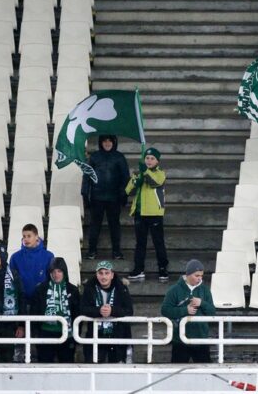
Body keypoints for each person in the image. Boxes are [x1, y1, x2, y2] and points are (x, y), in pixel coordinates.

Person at [81, 135, 130, 260]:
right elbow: (87, 176)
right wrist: (85, 193)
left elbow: (125, 177)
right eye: (104, 141)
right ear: (100, 142)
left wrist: (124, 194)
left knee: (114, 225)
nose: (107, 143)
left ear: (114, 142)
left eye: (110, 141)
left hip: (114, 198)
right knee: (94, 225)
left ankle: (116, 251)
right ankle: (92, 251)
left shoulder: (119, 157)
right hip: (97, 197)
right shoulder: (94, 157)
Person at [125, 147, 169, 282]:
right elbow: (128, 191)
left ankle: (163, 268)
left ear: (157, 161)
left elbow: (155, 182)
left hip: (154, 213)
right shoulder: (138, 172)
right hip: (140, 213)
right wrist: (135, 181)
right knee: (140, 243)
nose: (149, 161)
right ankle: (139, 269)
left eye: (152, 159)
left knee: (158, 242)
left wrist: (145, 172)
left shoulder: (160, 173)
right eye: (147, 158)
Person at [160, 259, 216, 363]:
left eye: (201, 276)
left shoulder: (205, 290)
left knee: (205, 375)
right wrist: (185, 310)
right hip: (180, 340)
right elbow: (165, 310)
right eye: (197, 275)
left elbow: (212, 312)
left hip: (201, 338)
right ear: (188, 274)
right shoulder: (174, 290)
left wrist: (202, 303)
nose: (199, 279)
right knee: (177, 374)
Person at [81, 261, 134, 363]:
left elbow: (129, 311)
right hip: (95, 336)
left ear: (112, 275)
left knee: (115, 374)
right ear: (96, 275)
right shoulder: (89, 288)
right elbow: (82, 309)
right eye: (101, 273)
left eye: (107, 273)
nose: (103, 277)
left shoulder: (121, 288)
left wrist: (112, 311)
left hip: (117, 337)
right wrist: (98, 311)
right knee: (94, 372)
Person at [30, 257, 80, 363]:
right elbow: (34, 311)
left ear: (64, 272)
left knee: (66, 368)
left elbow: (77, 313)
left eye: (59, 271)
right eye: (53, 271)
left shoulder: (73, 290)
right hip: (45, 333)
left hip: (67, 335)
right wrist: (36, 333)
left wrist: (75, 334)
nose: (56, 274)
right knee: (45, 368)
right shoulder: (41, 289)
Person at [9, 223, 56, 310]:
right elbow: (11, 281)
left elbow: (51, 279)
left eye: (29, 236)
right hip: (21, 302)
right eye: (24, 236)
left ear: (36, 237)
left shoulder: (48, 256)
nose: (26, 239)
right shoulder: (15, 257)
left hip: (42, 301)